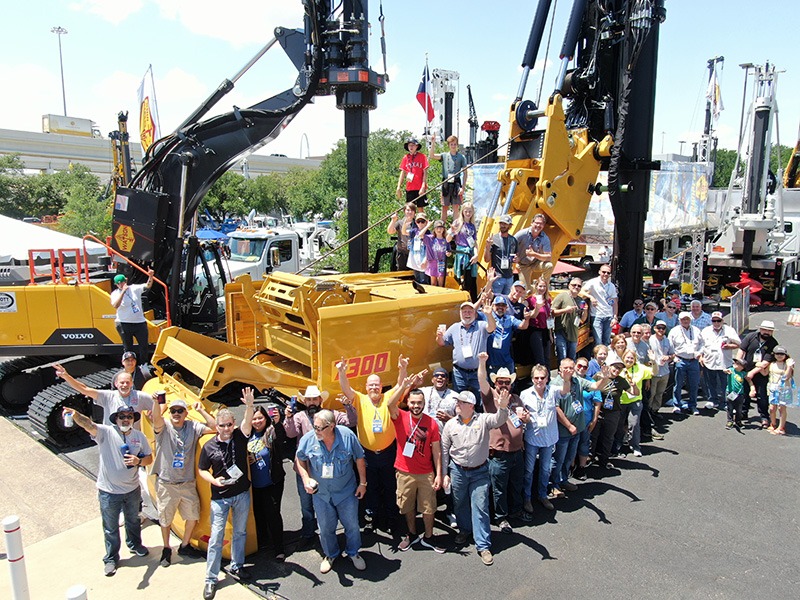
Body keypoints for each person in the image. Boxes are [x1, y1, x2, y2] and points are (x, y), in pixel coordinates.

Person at [62, 405, 152, 577]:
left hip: (132, 490)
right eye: (122, 416)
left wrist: (137, 461)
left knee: (133, 520)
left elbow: (149, 458)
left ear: (133, 419)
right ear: (116, 419)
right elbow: (88, 424)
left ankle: (135, 545)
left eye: (129, 416)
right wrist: (75, 414)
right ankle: (111, 559)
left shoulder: (140, 437)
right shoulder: (106, 432)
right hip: (108, 492)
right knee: (110, 527)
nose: (126, 419)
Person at [337, 356, 406, 537]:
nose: (374, 387)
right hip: (367, 454)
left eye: (377, 384)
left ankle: (392, 518)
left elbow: (400, 385)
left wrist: (403, 368)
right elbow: (346, 389)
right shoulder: (360, 399)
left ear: (381, 386)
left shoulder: (388, 397)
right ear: (366, 388)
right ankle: (373, 518)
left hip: (388, 453)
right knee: (371, 487)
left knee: (390, 486)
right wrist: (341, 372)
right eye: (371, 385)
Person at [441, 390, 510, 566]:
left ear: (471, 406)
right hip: (457, 471)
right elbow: (444, 451)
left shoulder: (483, 419)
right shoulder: (450, 425)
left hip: (479, 472)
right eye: (457, 401)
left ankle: (483, 545)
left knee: (480, 507)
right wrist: (444, 475)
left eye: (461, 402)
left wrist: (502, 407)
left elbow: (499, 420)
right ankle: (465, 530)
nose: (457, 404)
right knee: (460, 502)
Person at [198, 389, 255, 600]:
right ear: (217, 426)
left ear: (233, 424)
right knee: (216, 537)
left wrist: (249, 405)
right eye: (221, 426)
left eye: (229, 425)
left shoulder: (239, 437)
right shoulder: (210, 446)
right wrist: (213, 480)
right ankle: (210, 579)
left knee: (240, 533)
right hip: (220, 498)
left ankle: (236, 566)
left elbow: (248, 424)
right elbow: (202, 469)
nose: (226, 429)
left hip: (241, 494)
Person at [295, 409, 367, 574]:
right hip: (321, 494)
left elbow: (359, 458)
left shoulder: (347, 436)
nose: (316, 431)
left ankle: (353, 553)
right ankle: (331, 554)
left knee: (352, 525)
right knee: (326, 527)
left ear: (332, 426)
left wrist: (363, 483)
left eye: (320, 428)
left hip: (346, 492)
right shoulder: (309, 439)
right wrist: (306, 479)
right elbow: (300, 458)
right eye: (315, 427)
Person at [284, 385, 357, 546]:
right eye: (308, 399)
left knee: (327, 502)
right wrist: (288, 417)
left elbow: (351, 421)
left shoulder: (330, 415)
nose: (311, 402)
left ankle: (330, 532)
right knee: (306, 504)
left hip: (327, 470)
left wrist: (348, 406)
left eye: (314, 399)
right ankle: (309, 533)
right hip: (305, 469)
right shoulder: (299, 416)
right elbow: (290, 433)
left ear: (320, 400)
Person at [151, 398, 215, 568]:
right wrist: (156, 403)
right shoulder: (164, 427)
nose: (176, 414)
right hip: (167, 483)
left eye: (180, 411)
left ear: (186, 413)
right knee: (165, 518)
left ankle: (185, 545)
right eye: (173, 411)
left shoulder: (193, 427)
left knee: (193, 516)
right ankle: (166, 548)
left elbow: (215, 427)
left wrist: (201, 411)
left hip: (187, 483)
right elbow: (156, 419)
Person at [386, 378, 445, 553]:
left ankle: (429, 536)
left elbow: (437, 452)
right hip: (404, 471)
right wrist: (404, 386)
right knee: (407, 506)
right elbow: (390, 404)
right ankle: (411, 534)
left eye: (419, 403)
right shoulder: (401, 417)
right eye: (412, 403)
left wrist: (439, 474)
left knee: (429, 508)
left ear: (424, 404)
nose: (416, 406)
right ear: (408, 403)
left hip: (426, 472)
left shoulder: (431, 423)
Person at [477, 355, 529, 532]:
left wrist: (526, 419)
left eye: (507, 382)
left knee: (516, 484)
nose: (504, 385)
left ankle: (516, 511)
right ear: (496, 383)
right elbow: (481, 380)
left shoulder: (516, 398)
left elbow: (524, 418)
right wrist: (482, 363)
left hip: (517, 451)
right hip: (499, 454)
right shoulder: (491, 397)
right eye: (500, 382)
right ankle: (501, 518)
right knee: (499, 489)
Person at [550, 358, 599, 496]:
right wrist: (569, 425)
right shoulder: (555, 384)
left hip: (577, 429)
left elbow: (595, 387)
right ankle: (554, 485)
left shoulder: (578, 381)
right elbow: (556, 408)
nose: (568, 370)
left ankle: (564, 480)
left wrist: (605, 378)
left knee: (569, 458)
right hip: (563, 431)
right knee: (558, 459)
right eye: (565, 368)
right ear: (559, 369)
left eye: (571, 368)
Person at [519, 364, 563, 512]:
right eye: (536, 378)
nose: (539, 381)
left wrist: (567, 377)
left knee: (545, 469)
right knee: (529, 470)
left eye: (542, 378)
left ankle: (542, 495)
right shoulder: (525, 394)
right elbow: (520, 414)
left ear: (547, 378)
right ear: (532, 379)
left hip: (549, 438)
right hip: (532, 437)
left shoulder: (553, 391)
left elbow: (565, 391)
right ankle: (527, 498)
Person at [437, 301, 496, 407]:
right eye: (464, 312)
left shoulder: (481, 325)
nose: (467, 314)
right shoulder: (454, 327)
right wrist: (439, 336)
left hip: (477, 372)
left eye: (470, 311)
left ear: (475, 313)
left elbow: (492, 327)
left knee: (481, 401)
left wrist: (489, 314)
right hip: (459, 372)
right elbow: (441, 343)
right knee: (459, 401)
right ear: (460, 313)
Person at [54, 364, 153, 426]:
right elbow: (84, 389)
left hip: (134, 440)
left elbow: (159, 403)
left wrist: (155, 413)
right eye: (122, 383)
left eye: (127, 382)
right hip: (113, 440)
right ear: (116, 384)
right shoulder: (107, 396)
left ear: (132, 384)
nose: (125, 385)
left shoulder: (140, 396)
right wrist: (66, 376)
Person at [247, 405, 287, 560]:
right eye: (254, 418)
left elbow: (281, 437)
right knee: (258, 513)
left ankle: (279, 548)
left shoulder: (271, 432)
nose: (257, 421)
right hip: (254, 484)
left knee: (273, 514)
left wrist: (278, 422)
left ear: (266, 418)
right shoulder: (247, 434)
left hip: (272, 482)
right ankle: (262, 541)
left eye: (260, 418)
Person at [592, 360, 634, 471]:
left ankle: (604, 459)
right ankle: (590, 458)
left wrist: (634, 386)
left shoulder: (621, 381)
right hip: (598, 411)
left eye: (619, 369)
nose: (617, 370)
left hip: (613, 412)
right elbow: (590, 388)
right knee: (594, 435)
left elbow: (634, 393)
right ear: (609, 367)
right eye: (615, 367)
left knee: (608, 436)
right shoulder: (598, 376)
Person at [737, 319, 778, 428]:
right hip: (745, 370)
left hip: (761, 374)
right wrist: (738, 365)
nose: (767, 332)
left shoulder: (773, 343)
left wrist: (752, 372)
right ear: (760, 329)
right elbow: (741, 350)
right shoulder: (751, 336)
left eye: (769, 330)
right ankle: (743, 413)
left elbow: (766, 362)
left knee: (762, 396)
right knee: (744, 394)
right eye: (765, 329)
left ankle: (764, 416)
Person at [110, 268, 154, 363]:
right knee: (128, 347)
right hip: (123, 323)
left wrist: (150, 276)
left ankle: (143, 364)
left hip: (139, 322)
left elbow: (147, 286)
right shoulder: (115, 293)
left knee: (143, 345)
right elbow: (115, 305)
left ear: (126, 281)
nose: (121, 285)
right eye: (118, 283)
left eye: (122, 282)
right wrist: (123, 292)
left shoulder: (134, 288)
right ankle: (129, 365)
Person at [699, 312, 741, 410]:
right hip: (709, 361)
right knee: (710, 382)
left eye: (718, 320)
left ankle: (726, 402)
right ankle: (712, 400)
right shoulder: (705, 331)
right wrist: (701, 356)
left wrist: (730, 346)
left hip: (724, 362)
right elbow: (700, 345)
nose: (716, 323)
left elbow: (739, 344)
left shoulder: (729, 330)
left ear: (722, 321)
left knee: (726, 384)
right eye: (714, 321)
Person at [617, 350, 652, 458]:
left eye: (632, 358)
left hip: (635, 400)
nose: (629, 360)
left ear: (635, 359)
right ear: (623, 358)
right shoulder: (618, 368)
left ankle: (635, 446)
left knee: (634, 424)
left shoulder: (640, 368)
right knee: (619, 424)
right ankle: (618, 444)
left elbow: (654, 372)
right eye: (627, 357)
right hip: (621, 401)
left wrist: (654, 361)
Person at [668, 312, 704, 415]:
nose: (685, 321)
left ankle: (693, 405)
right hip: (681, 360)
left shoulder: (696, 330)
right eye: (683, 319)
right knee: (678, 384)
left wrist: (699, 353)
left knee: (694, 384)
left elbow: (702, 344)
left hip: (693, 360)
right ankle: (676, 405)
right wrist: (674, 357)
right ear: (679, 320)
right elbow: (670, 346)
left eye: (687, 319)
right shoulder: (674, 331)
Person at [572, 357, 602, 480]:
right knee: (571, 446)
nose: (582, 369)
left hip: (586, 420)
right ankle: (570, 467)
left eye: (585, 367)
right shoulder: (569, 381)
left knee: (584, 444)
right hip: (571, 421)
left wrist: (594, 419)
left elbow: (597, 402)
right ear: (575, 365)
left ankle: (581, 468)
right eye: (579, 366)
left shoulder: (591, 381)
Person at [486, 295, 531, 376]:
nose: (500, 307)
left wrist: (526, 319)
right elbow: (471, 312)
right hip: (492, 363)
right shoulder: (486, 317)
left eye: (503, 305)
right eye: (498, 305)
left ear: (506, 308)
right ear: (492, 306)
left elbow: (523, 326)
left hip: (507, 361)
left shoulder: (510, 318)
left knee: (510, 385)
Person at [432, 134, 468, 221]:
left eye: (455, 144)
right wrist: (433, 143)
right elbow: (432, 156)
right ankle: (442, 228)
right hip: (446, 182)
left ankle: (455, 228)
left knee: (456, 207)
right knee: (444, 206)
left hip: (456, 183)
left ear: (457, 145)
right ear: (448, 145)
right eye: (451, 144)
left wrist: (463, 187)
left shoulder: (461, 157)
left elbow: (465, 172)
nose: (453, 146)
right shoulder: (444, 155)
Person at [580, 265, 618, 346]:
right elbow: (581, 291)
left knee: (607, 341)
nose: (606, 274)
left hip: (609, 315)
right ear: (599, 272)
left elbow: (615, 302)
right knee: (598, 341)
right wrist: (591, 297)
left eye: (608, 273)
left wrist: (615, 317)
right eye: (604, 272)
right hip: (597, 315)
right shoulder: (593, 282)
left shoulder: (611, 285)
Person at [447, 202, 479, 299]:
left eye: (470, 211)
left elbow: (474, 242)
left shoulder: (472, 226)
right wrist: (452, 232)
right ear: (462, 211)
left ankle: (473, 300)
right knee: (463, 278)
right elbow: (448, 239)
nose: (468, 213)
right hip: (461, 254)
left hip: (470, 254)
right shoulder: (457, 223)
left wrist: (476, 254)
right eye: (466, 211)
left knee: (472, 279)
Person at [551, 277, 587, 360]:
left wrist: (585, 311)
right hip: (561, 331)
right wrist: (565, 310)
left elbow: (582, 320)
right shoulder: (562, 296)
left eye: (579, 286)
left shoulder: (580, 300)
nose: (576, 287)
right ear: (569, 286)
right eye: (574, 285)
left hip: (574, 334)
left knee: (572, 358)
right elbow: (552, 312)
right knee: (562, 357)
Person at [514, 213, 554, 289]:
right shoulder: (522, 234)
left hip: (535, 263)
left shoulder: (545, 238)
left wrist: (534, 254)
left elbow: (549, 257)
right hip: (523, 264)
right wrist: (516, 256)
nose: (538, 225)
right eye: (537, 223)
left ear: (543, 226)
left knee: (549, 266)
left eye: (541, 224)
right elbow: (510, 245)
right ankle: (531, 290)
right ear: (532, 223)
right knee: (525, 290)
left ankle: (541, 285)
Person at [483, 214, 518, 295]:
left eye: (505, 224)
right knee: (496, 301)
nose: (503, 225)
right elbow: (486, 259)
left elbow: (516, 256)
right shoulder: (493, 239)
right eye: (501, 223)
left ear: (510, 226)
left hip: (509, 277)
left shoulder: (513, 240)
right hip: (497, 277)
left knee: (507, 303)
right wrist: (487, 246)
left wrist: (517, 259)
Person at [764, 346, 793, 434]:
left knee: (781, 408)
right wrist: (760, 366)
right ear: (774, 354)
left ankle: (781, 427)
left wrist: (789, 366)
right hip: (772, 388)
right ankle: (773, 424)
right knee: (772, 408)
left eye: (782, 354)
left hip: (784, 389)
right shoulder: (772, 364)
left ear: (785, 355)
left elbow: (787, 377)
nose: (779, 356)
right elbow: (765, 373)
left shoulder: (787, 365)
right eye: (777, 354)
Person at [420, 367, 459, 432]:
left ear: (447, 380)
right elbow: (405, 398)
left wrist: (449, 419)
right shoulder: (423, 391)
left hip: (444, 435)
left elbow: (463, 421)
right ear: (432, 380)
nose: (440, 377)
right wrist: (414, 384)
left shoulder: (455, 396)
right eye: (436, 375)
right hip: (425, 433)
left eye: (443, 376)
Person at [648, 321, 674, 416]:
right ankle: (648, 411)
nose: (661, 330)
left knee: (660, 393)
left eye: (663, 328)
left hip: (665, 371)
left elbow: (673, 354)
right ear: (654, 328)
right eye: (659, 328)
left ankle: (655, 410)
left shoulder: (667, 341)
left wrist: (669, 357)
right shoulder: (650, 340)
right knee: (652, 393)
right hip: (654, 371)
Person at [527, 278, 553, 369]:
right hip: (535, 330)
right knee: (540, 358)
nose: (542, 288)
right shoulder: (531, 299)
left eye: (544, 286)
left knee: (547, 358)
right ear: (536, 286)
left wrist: (550, 334)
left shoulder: (548, 300)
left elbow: (548, 316)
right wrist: (537, 307)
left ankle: (548, 380)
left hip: (546, 330)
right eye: (540, 286)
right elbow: (532, 316)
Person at [396, 137, 429, 207]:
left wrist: (423, 186)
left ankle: (421, 218)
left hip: (419, 187)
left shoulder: (422, 157)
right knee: (410, 208)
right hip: (410, 187)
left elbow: (425, 173)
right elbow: (402, 173)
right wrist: (399, 187)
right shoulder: (405, 158)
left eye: (413, 145)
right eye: (409, 145)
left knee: (420, 208)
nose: (411, 147)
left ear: (417, 146)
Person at [387, 202, 418, 271]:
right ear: (404, 211)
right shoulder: (400, 222)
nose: (410, 212)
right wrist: (393, 220)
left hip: (415, 253)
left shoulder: (418, 223)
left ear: (415, 212)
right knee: (402, 273)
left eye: (412, 210)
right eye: (408, 210)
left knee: (414, 274)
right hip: (402, 253)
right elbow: (390, 231)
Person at [405, 213, 432, 284]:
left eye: (422, 221)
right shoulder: (414, 231)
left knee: (424, 281)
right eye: (418, 221)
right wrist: (405, 223)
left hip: (423, 260)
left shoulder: (429, 234)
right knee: (417, 280)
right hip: (415, 259)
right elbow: (403, 232)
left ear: (426, 222)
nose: (420, 223)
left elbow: (422, 236)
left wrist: (425, 260)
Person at [424, 220, 451, 287]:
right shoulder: (430, 238)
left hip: (442, 262)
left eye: (441, 227)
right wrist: (427, 226)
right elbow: (420, 235)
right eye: (437, 227)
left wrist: (448, 253)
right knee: (433, 283)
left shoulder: (446, 240)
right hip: (432, 262)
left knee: (441, 282)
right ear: (434, 229)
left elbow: (449, 251)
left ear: (444, 229)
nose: (439, 229)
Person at [725, 357, 748, 430]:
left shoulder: (743, 373)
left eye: (738, 363)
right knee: (730, 408)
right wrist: (726, 370)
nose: (735, 364)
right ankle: (730, 421)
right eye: (735, 362)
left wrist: (752, 388)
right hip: (730, 392)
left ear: (742, 367)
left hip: (740, 394)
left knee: (739, 409)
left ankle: (738, 421)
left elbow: (749, 379)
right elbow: (725, 370)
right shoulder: (731, 370)